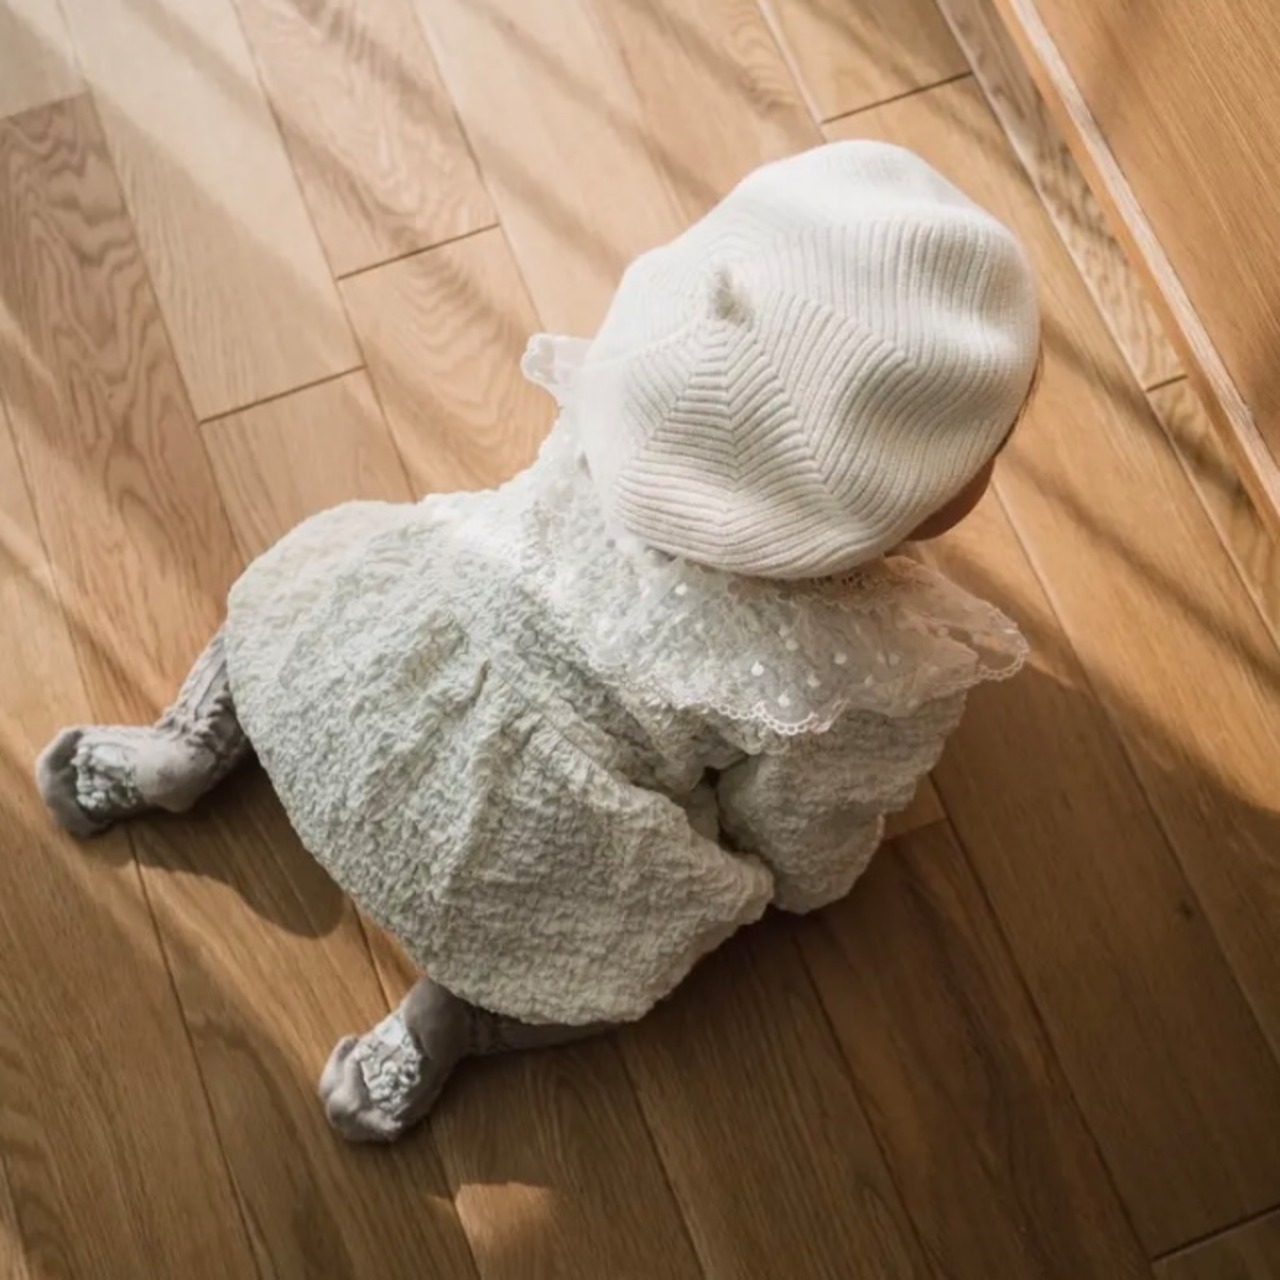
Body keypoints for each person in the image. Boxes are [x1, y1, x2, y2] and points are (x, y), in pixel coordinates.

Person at [36, 141, 1040, 1143]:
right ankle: (458, 1012)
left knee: (299, 601)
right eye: (980, 453)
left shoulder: (644, 405)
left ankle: (192, 741)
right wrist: (799, 885)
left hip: (356, 684)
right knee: (613, 955)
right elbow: (801, 831)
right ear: (880, 510)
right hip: (509, 849)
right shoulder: (858, 665)